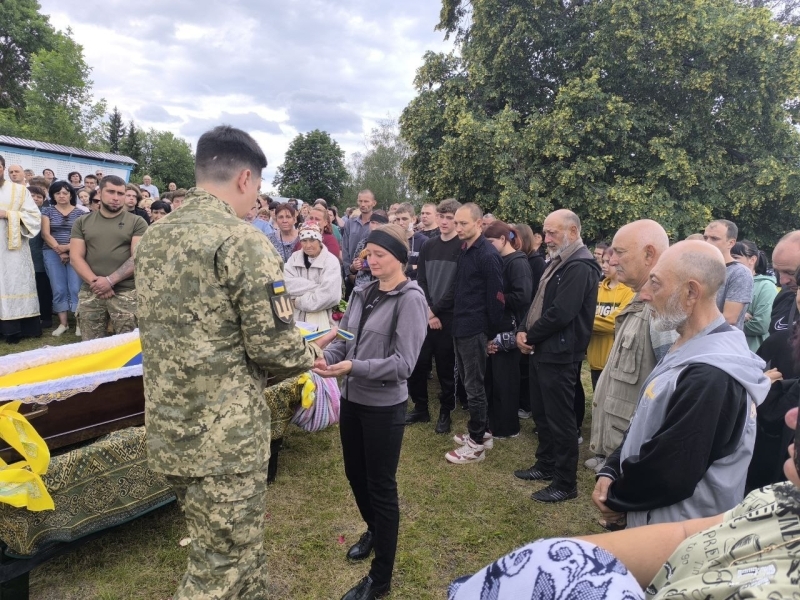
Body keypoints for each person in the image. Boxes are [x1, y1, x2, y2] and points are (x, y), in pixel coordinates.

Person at [136, 125, 336, 600]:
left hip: (170, 425)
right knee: (220, 569)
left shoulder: (155, 236)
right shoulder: (241, 241)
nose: (256, 200)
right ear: (246, 178)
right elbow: (274, 346)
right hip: (224, 437)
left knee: (240, 551)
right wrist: (313, 352)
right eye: (259, 188)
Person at [449, 402, 800, 599]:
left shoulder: (709, 375)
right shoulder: (782, 497)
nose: (791, 416)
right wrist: (551, 557)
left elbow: (673, 465)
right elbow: (683, 537)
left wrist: (622, 498)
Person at [593, 241, 770, 528]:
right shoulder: (687, 344)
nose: (644, 294)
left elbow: (671, 472)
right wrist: (612, 468)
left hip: (678, 538)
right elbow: (646, 421)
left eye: (655, 283)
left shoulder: (710, 375)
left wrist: (616, 500)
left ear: (691, 293)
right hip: (658, 523)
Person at [314, 224, 427, 600]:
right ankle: (374, 530)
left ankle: (380, 579)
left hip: (383, 407)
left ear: (400, 258)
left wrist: (354, 367)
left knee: (381, 486)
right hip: (353, 400)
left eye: (380, 255)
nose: (371, 261)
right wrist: (328, 357)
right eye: (368, 254)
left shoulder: (410, 300)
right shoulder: (362, 291)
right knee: (355, 474)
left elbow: (404, 364)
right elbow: (347, 337)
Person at [514, 209, 601, 502]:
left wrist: (530, 335)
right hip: (543, 349)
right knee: (542, 413)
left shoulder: (580, 265)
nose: (547, 238)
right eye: (546, 231)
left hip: (560, 353)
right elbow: (537, 303)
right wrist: (522, 329)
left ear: (573, 231)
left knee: (561, 420)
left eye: (553, 232)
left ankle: (565, 483)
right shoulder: (558, 262)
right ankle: (546, 464)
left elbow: (561, 313)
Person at [586, 220, 676, 476]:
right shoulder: (641, 299)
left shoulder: (663, 309)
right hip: (623, 450)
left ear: (649, 254)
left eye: (619, 252)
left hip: (637, 456)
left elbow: (671, 392)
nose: (612, 261)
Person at [446, 203, 505, 465]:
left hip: (475, 328)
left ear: (479, 224)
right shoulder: (465, 249)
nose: (458, 228)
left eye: (463, 223)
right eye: (456, 223)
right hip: (460, 325)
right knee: (471, 383)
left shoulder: (488, 255)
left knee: (474, 387)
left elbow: (497, 299)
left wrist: (489, 333)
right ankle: (483, 432)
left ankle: (476, 443)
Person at [407, 199, 463, 432]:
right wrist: (429, 311)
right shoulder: (429, 245)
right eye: (442, 216)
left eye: (450, 218)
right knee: (418, 363)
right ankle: (420, 408)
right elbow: (421, 280)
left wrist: (436, 311)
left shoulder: (462, 247)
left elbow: (457, 287)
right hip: (426, 313)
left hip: (448, 317)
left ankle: (445, 412)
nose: (444, 222)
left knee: (445, 367)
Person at [70, 175, 148, 340]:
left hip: (125, 293)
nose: (116, 198)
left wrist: (110, 281)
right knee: (91, 346)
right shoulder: (82, 222)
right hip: (92, 291)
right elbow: (75, 257)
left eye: (120, 193)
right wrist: (97, 283)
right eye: (111, 192)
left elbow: (137, 258)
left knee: (127, 345)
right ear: (99, 193)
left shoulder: (137, 222)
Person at [483, 221, 533, 439]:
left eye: (491, 242)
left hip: (510, 328)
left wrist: (496, 297)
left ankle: (508, 428)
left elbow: (523, 296)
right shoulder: (498, 260)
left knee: (506, 381)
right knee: (494, 379)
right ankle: (494, 423)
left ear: (503, 240)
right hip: (496, 325)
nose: (488, 246)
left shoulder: (518, 263)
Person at [0, 156, 42, 344]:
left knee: (14, 283)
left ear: (3, 168)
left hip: (12, 251)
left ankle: (15, 330)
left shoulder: (19, 190)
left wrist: (7, 214)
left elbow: (34, 216)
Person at [586, 246, 635, 388]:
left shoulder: (629, 291)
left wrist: (585, 321)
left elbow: (615, 322)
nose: (604, 266)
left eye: (609, 262)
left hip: (615, 362)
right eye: (603, 261)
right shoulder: (596, 288)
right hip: (595, 360)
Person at [41, 181, 84, 337]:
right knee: (58, 288)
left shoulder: (81, 213)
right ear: (53, 195)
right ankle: (63, 324)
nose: (61, 196)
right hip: (52, 252)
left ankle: (79, 323)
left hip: (75, 252)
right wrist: (59, 250)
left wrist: (67, 248)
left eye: (65, 193)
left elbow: (83, 236)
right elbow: (45, 234)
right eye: (58, 193)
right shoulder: (47, 211)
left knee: (75, 288)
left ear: (71, 195)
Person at [284, 224, 342, 329]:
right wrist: (317, 287)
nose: (308, 245)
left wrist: (297, 302)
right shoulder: (294, 258)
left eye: (312, 240)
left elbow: (329, 297)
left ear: (319, 240)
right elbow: (286, 285)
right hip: (295, 320)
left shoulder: (331, 261)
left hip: (324, 320)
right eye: (304, 241)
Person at [703, 219, 753, 330]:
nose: (707, 242)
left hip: (720, 338)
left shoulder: (740, 273)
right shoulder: (700, 268)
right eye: (705, 238)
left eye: (714, 238)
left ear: (731, 243)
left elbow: (729, 318)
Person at [730, 239, 778, 352]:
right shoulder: (725, 282)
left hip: (751, 352)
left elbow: (761, 325)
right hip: (726, 350)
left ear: (752, 259)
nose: (731, 261)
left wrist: (733, 321)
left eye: (736, 257)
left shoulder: (766, 286)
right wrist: (741, 317)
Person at [342, 190, 377, 296]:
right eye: (360, 201)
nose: (362, 204)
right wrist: (349, 272)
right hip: (351, 274)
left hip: (370, 277)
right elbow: (345, 248)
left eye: (366, 201)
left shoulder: (377, 224)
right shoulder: (350, 223)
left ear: (374, 203)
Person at [27, 185, 52, 329]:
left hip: (40, 256)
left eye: (39, 197)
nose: (35, 199)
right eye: (32, 195)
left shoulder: (45, 213)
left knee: (42, 288)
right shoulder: (18, 212)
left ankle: (46, 316)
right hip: (22, 258)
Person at [349, 211, 389, 289]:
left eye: (378, 223)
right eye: (372, 222)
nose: (374, 227)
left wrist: (365, 264)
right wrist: (354, 266)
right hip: (360, 288)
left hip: (380, 287)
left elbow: (387, 266)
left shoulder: (389, 244)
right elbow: (353, 269)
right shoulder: (363, 242)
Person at [392, 203, 428, 280]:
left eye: (404, 219)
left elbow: (424, 268)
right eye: (398, 219)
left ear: (413, 219)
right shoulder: (393, 240)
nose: (400, 223)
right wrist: (411, 267)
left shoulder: (423, 241)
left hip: (416, 283)